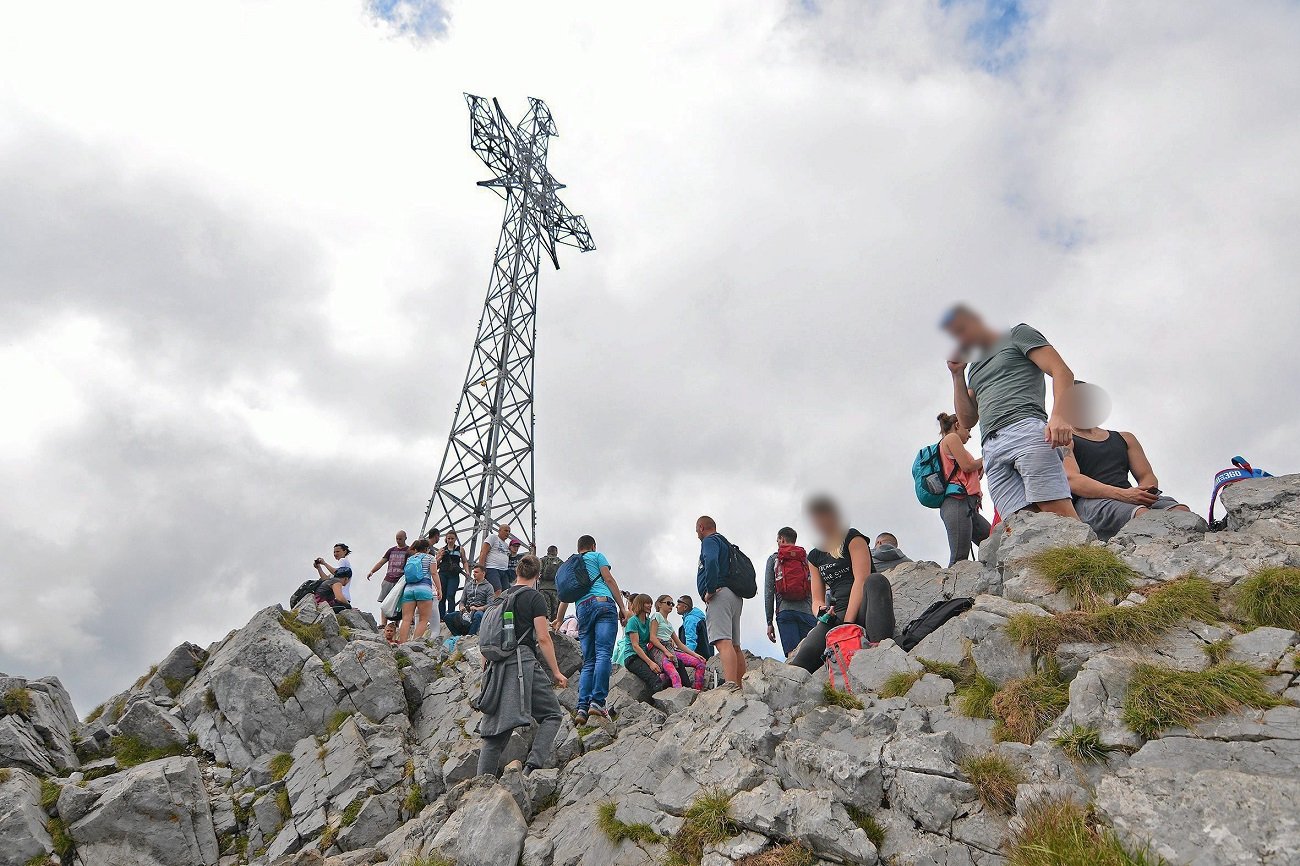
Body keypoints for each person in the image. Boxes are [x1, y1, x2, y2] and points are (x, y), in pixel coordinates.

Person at [943, 305, 1079, 521]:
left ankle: (1086, 545)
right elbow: (967, 420)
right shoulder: (974, 367)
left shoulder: (1017, 334)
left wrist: (1059, 416)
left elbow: (1061, 371)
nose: (961, 338)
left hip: (1025, 428)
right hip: (991, 446)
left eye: (962, 329)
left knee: (1057, 511)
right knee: (1019, 522)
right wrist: (957, 374)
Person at [476, 554, 569, 777]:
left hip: (495, 666)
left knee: (495, 732)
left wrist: (486, 670)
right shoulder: (534, 597)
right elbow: (543, 638)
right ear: (538, 576)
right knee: (552, 714)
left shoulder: (500, 598)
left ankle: (481, 783)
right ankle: (530, 769)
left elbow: (486, 639)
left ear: (517, 572)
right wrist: (556, 672)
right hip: (522, 663)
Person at [1063, 383, 1189, 541]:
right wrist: (1123, 495)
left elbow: (1146, 475)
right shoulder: (1065, 440)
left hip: (1131, 496)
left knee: (1181, 511)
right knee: (1142, 515)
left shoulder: (1125, 438)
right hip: (1091, 503)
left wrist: (1144, 493)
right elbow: (1073, 480)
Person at [552, 535, 628, 726]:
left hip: (582, 610)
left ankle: (582, 708)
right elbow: (608, 579)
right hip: (603, 604)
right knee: (603, 654)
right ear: (593, 546)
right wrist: (622, 607)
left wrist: (559, 619)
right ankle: (598, 702)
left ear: (579, 548)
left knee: (589, 661)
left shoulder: (571, 565)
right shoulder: (597, 556)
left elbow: (565, 596)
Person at [807, 496, 894, 640]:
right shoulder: (814, 556)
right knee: (805, 653)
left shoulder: (852, 537)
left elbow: (861, 579)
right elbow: (816, 599)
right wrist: (821, 612)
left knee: (876, 580)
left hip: (864, 606)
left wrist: (848, 624)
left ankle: (880, 644)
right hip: (836, 613)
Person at [934, 412, 992, 565]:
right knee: (959, 558)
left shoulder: (949, 443)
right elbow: (967, 466)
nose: (969, 435)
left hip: (966, 505)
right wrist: (988, 456)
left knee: (993, 543)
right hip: (957, 502)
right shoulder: (951, 438)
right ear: (958, 425)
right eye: (968, 430)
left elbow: (967, 470)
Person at [696, 516, 746, 691]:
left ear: (701, 527)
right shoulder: (725, 542)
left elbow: (710, 560)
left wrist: (710, 589)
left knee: (723, 642)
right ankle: (740, 685)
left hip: (720, 596)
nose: (697, 535)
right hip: (735, 596)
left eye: (696, 531)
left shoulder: (709, 541)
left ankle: (731, 686)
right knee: (735, 646)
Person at [764, 527, 818, 658]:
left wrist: (769, 622)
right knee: (811, 656)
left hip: (785, 612)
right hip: (807, 612)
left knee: (792, 656)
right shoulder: (806, 559)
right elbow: (815, 586)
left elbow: (769, 592)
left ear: (782, 539)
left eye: (778, 540)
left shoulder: (774, 559)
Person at [614, 593, 674, 693]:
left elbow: (654, 637)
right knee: (655, 680)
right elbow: (635, 646)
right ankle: (659, 700)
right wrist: (650, 663)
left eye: (650, 603)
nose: (650, 605)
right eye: (647, 603)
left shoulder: (648, 621)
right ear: (640, 604)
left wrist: (668, 639)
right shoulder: (633, 621)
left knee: (666, 672)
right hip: (632, 657)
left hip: (644, 655)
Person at [650, 595, 707, 690]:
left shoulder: (669, 624)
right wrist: (666, 652)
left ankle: (698, 692)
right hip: (659, 651)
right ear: (659, 604)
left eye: (672, 604)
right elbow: (652, 638)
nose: (672, 606)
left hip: (671, 649)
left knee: (700, 663)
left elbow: (679, 644)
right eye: (668, 603)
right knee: (675, 675)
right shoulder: (656, 616)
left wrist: (695, 655)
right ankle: (678, 697)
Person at [397, 539, 442, 643]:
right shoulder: (430, 558)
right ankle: (413, 643)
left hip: (408, 589)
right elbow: (434, 573)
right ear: (427, 549)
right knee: (423, 619)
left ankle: (402, 644)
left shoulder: (410, 559)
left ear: (416, 548)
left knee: (406, 619)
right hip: (424, 589)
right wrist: (439, 589)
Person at [366, 531, 409, 638]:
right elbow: (381, 562)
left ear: (405, 538)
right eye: (397, 538)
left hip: (400, 580)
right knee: (384, 601)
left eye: (400, 539)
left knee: (398, 603)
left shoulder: (408, 551)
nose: (398, 541)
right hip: (389, 578)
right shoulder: (391, 550)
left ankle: (396, 623)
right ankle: (383, 623)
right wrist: (372, 571)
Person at [436, 529, 469, 621]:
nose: (450, 540)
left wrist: (467, 571)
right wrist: (440, 556)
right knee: (442, 596)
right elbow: (435, 562)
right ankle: (441, 616)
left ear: (455, 539)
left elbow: (464, 561)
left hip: (454, 574)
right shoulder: (442, 549)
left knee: (451, 595)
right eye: (448, 538)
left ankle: (451, 615)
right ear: (446, 539)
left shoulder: (460, 549)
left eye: (452, 538)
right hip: (443, 573)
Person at [312, 543, 353, 613]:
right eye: (334, 552)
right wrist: (319, 568)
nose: (335, 554)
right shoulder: (336, 578)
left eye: (338, 551)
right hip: (339, 598)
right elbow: (326, 580)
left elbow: (337, 573)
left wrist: (324, 563)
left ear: (345, 551)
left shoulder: (343, 560)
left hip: (340, 597)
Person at [479, 524, 514, 594]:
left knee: (506, 592)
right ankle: (494, 602)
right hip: (492, 568)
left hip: (504, 571)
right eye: (506, 530)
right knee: (497, 590)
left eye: (509, 531)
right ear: (499, 530)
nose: (507, 533)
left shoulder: (506, 545)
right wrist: (481, 569)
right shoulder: (493, 537)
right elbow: (483, 552)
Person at [538, 545, 563, 621]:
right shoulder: (560, 562)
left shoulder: (542, 560)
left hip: (543, 589)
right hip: (555, 590)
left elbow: (537, 573)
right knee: (555, 613)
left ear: (548, 552)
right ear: (556, 552)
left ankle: (546, 625)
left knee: (545, 611)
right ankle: (554, 626)